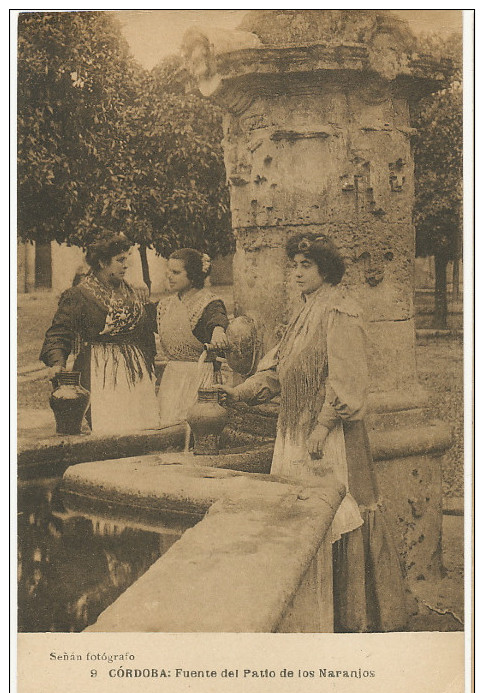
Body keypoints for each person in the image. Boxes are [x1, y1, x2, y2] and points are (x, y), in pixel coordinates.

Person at [217, 233, 408, 632]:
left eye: (307, 265)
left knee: (339, 511)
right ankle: (311, 604)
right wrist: (239, 394)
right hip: (296, 430)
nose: (298, 273)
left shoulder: (340, 311)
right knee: (302, 514)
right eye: (295, 265)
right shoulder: (303, 312)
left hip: (330, 437)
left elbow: (346, 379)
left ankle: (350, 613)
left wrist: (322, 428)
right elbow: (278, 368)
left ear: (326, 269)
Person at [40, 231, 160, 434]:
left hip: (135, 371)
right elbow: (59, 332)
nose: (126, 265)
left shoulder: (132, 291)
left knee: (141, 428)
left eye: (126, 259)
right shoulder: (80, 294)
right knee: (108, 429)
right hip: (99, 369)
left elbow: (146, 329)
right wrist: (57, 362)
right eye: (120, 260)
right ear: (103, 263)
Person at [156, 248, 229, 426]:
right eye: (168, 272)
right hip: (172, 377)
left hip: (199, 376)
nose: (170, 277)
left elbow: (217, 317)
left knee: (195, 427)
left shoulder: (209, 303)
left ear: (193, 274)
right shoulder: (165, 305)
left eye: (176, 272)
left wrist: (218, 330)